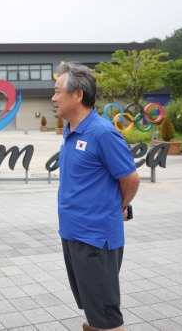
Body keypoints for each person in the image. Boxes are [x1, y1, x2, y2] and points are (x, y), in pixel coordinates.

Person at [53, 62, 140, 331]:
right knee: (93, 308)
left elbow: (131, 179)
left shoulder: (102, 133)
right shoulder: (71, 130)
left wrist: (120, 206)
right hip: (73, 234)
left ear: (78, 94)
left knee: (105, 312)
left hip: (95, 238)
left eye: (57, 91)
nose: (53, 98)